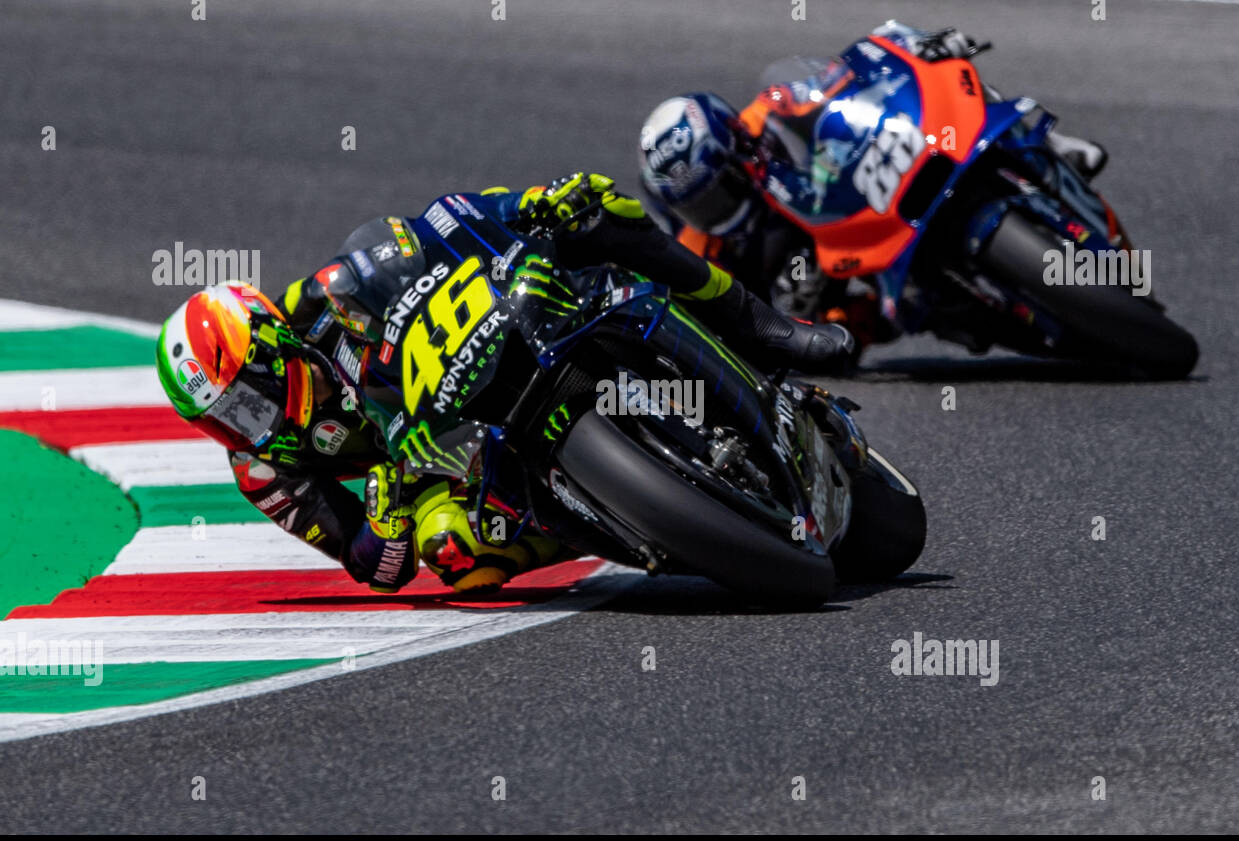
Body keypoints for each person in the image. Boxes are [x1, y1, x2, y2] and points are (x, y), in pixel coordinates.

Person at [155, 174, 853, 595]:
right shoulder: (262, 471)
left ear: (273, 349)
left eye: (243, 399)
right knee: (460, 557)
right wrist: (386, 510)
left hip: (479, 341)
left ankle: (759, 325)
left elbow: (424, 238)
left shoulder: (317, 301)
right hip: (434, 462)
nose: (246, 425)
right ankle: (627, 523)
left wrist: (527, 207)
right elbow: (373, 567)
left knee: (599, 215)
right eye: (222, 419)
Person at [638, 22, 1109, 346]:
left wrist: (910, 45)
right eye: (699, 206)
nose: (715, 211)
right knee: (909, 314)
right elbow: (738, 327)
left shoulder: (765, 115)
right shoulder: (702, 252)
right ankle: (1012, 321)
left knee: (952, 87)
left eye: (717, 191)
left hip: (866, 187)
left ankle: (1050, 145)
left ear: (735, 146)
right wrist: (796, 311)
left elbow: (842, 76)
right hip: (846, 278)